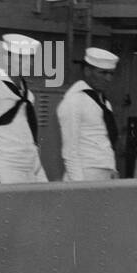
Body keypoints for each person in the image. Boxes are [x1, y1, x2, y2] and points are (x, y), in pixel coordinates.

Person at [0, 33, 47, 184]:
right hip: (5, 166)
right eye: (20, 57)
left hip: (29, 166)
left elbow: (29, 138)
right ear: (6, 57)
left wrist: (39, 173)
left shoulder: (28, 95)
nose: (27, 62)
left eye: (30, 57)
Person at [57, 47, 120, 182]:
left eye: (111, 73)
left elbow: (106, 141)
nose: (108, 78)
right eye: (103, 73)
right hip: (84, 173)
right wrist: (79, 186)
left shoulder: (104, 103)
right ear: (87, 71)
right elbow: (70, 151)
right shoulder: (74, 101)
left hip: (105, 172)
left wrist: (113, 169)